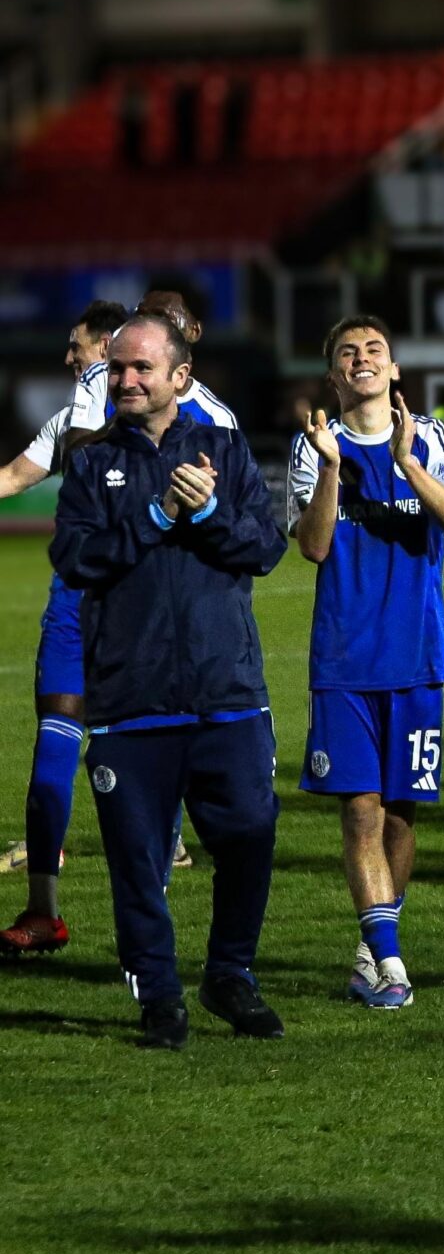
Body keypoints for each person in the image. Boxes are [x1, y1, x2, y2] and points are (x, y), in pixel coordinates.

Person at [49, 311, 286, 1048]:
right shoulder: (89, 462)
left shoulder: (224, 447)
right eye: (117, 368)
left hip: (227, 693)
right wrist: (158, 512)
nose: (124, 379)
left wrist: (208, 510)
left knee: (249, 832)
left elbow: (266, 547)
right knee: (136, 863)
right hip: (131, 700)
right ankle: (160, 997)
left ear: (180, 377)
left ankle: (230, 974)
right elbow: (75, 560)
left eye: (140, 368)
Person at [288, 317, 444, 1008]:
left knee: (401, 817)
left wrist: (408, 464)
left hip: (419, 658)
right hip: (343, 662)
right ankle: (392, 963)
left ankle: (372, 949)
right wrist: (335, 468)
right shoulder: (314, 446)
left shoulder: (428, 435)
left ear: (394, 369)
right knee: (360, 813)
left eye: (373, 351)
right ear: (334, 375)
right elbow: (311, 545)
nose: (361, 360)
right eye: (347, 353)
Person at [0, 301, 125, 955]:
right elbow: (14, 477)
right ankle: (43, 911)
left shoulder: (168, 412)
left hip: (136, 608)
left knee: (139, 754)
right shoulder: (66, 420)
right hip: (71, 605)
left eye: (76, 346)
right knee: (53, 744)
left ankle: (150, 912)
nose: (69, 357)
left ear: (105, 345)